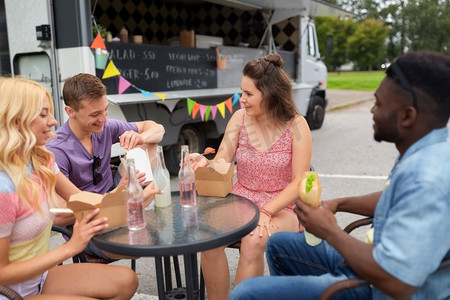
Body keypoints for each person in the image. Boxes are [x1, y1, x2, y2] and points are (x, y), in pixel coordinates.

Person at [229, 51, 450, 299]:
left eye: (378, 103)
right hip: (374, 260)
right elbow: (395, 196)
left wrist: (330, 231)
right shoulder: (424, 149)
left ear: (407, 116)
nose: (371, 112)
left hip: (378, 287)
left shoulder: (427, 177)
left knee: (246, 293)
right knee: (281, 246)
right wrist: (340, 203)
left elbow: (397, 281)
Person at [0, 77, 139, 299]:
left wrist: (124, 194)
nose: (54, 121)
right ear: (17, 121)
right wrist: (69, 247)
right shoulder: (3, 188)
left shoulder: (41, 159)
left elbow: (80, 199)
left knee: (127, 281)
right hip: (10, 291)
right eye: (43, 114)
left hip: (40, 277)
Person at [190, 53, 312, 299]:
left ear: (270, 94)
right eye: (241, 92)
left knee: (253, 240)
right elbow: (223, 157)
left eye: (248, 94)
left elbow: (300, 182)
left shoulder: (297, 125)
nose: (241, 100)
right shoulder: (239, 118)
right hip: (242, 198)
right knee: (209, 238)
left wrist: (266, 211)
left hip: (282, 205)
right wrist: (205, 162)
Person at [47, 73, 164, 259]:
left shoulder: (105, 126)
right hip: (87, 222)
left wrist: (141, 137)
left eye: (105, 111)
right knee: (141, 244)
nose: (103, 119)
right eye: (95, 114)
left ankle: (137, 202)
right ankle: (135, 204)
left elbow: (157, 128)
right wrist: (114, 199)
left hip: (114, 193)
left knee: (146, 143)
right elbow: (60, 215)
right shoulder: (57, 150)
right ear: (70, 111)